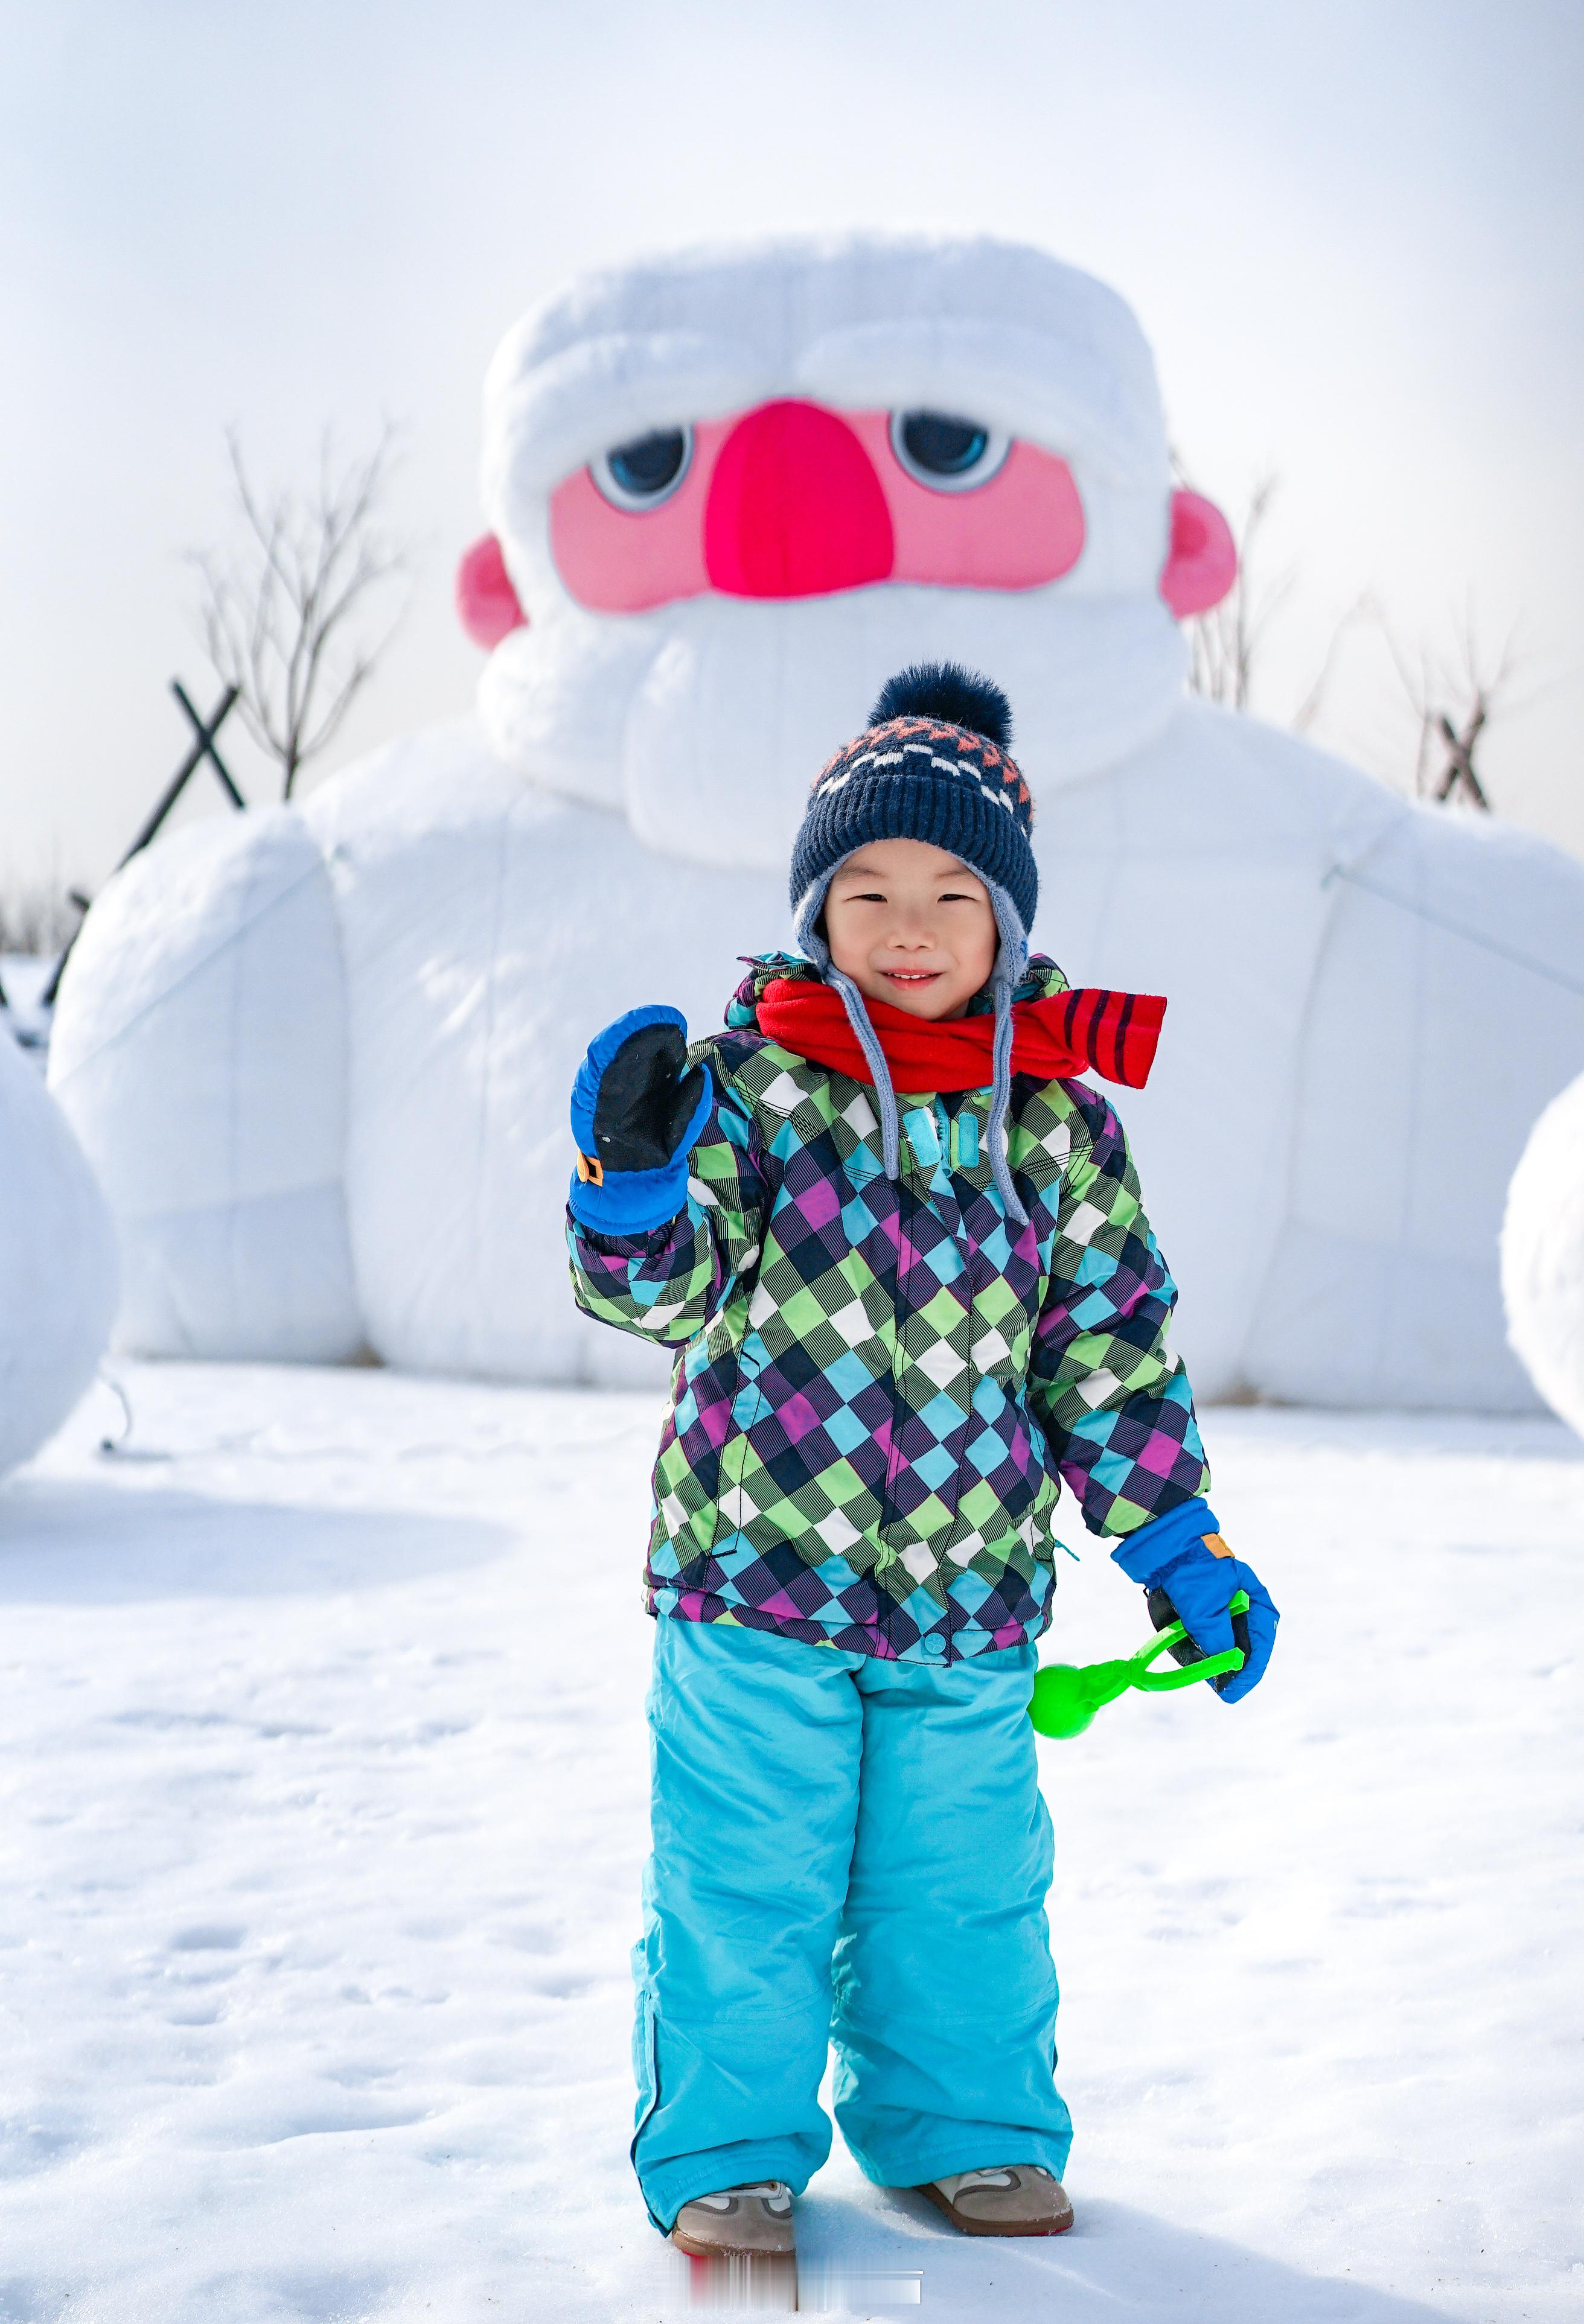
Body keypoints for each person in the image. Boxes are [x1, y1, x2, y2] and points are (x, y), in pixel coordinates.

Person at [565, 663, 1279, 2261]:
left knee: (960, 1893)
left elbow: (1110, 1359)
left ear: (1008, 925)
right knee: (743, 1886)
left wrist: (1178, 1545)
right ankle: (729, 2155)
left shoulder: (1059, 1130)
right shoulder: (750, 1095)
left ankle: (959, 2129)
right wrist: (630, 1194)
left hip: (970, 1604)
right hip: (757, 1585)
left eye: (951, 891)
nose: (907, 923)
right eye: (867, 887)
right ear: (815, 912)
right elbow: (668, 1289)